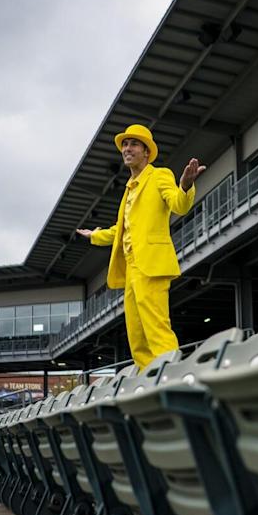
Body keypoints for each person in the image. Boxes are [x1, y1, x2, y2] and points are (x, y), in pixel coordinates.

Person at [77, 124, 205, 370]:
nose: (127, 148)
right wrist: (96, 235)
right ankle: (149, 381)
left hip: (152, 265)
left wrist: (186, 186)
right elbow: (121, 229)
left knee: (156, 327)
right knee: (136, 336)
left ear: (147, 152)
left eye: (133, 144)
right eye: (125, 144)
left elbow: (179, 205)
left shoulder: (159, 176)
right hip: (132, 268)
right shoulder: (129, 188)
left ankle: (173, 376)